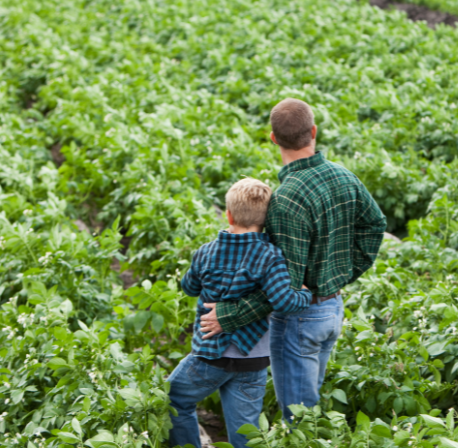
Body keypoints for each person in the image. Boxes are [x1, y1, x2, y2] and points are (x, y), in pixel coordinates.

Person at [198, 98, 388, 420]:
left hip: (300, 319)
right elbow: (375, 225)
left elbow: (284, 289)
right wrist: (341, 274)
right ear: (313, 131)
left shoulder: (286, 200)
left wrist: (228, 315)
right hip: (332, 309)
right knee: (308, 409)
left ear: (273, 138)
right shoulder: (344, 176)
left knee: (299, 418)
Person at [166, 178, 312, 448]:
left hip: (211, 355)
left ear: (229, 215)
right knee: (245, 430)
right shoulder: (271, 256)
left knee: (172, 399)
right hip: (253, 359)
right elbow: (284, 302)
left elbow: (188, 287)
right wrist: (305, 293)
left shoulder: (207, 252)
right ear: (266, 220)